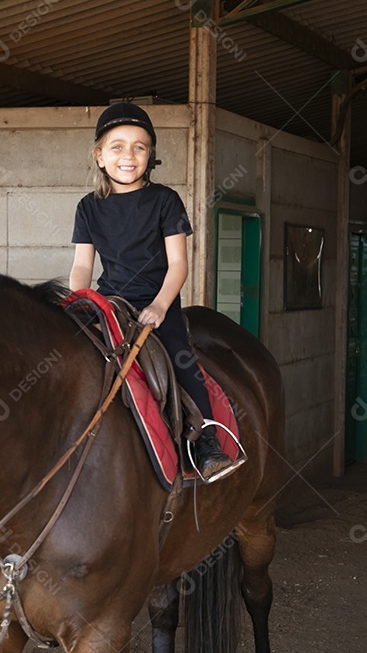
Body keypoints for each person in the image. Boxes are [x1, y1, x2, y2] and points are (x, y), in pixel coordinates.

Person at [69, 102, 233, 480]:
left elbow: (178, 264)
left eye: (139, 147)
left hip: (157, 302)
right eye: (117, 147)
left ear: (150, 156)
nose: (128, 155)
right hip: (109, 301)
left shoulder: (165, 200)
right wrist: (79, 298)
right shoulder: (88, 208)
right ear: (99, 156)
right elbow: (82, 266)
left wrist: (160, 306)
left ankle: (206, 439)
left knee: (179, 356)